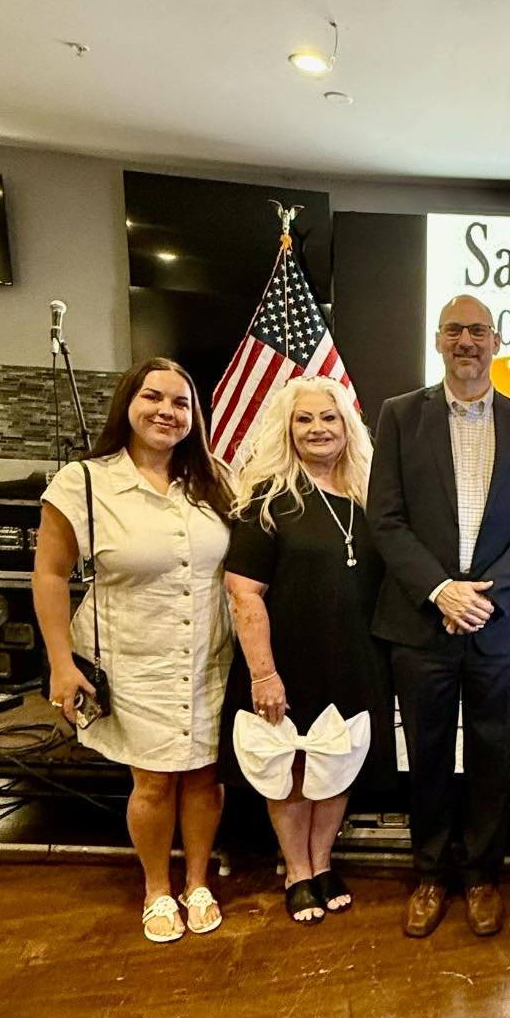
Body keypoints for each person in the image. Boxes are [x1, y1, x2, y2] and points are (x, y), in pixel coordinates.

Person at [367, 294, 510, 939]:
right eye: (455, 330)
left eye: (477, 331)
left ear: (496, 341)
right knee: (425, 752)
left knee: (492, 751)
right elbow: (385, 519)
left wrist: (480, 595)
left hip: (497, 625)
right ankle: (429, 875)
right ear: (438, 340)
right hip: (421, 624)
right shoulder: (398, 416)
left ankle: (481, 876)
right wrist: (441, 590)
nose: (466, 341)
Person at [33, 358, 233, 943]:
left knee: (202, 776)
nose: (167, 412)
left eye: (181, 403)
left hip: (208, 657)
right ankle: (156, 889)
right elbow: (49, 574)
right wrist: (60, 663)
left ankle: (197, 881)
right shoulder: (84, 481)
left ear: (195, 418)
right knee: (152, 782)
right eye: (154, 397)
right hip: (131, 661)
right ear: (128, 403)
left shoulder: (214, 480)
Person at [221, 377, 395, 923]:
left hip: (355, 656)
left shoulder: (371, 499)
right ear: (287, 428)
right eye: (305, 419)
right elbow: (242, 592)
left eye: (329, 418)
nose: (318, 429)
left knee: (335, 762)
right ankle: (295, 869)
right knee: (290, 766)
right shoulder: (266, 500)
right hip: (287, 658)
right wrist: (264, 674)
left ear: (348, 427)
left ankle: (322, 861)